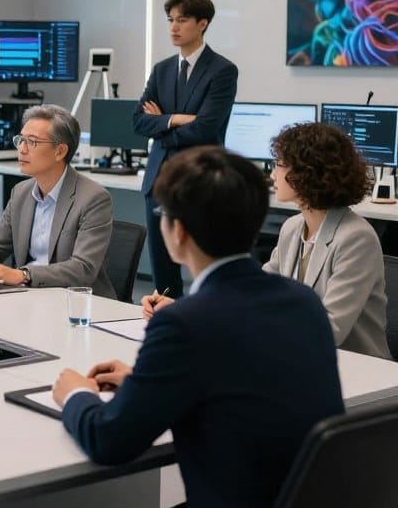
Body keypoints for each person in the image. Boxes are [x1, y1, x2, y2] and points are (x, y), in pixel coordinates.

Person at [54, 146, 343, 508]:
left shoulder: (183, 323)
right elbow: (241, 381)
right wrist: (145, 382)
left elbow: (109, 441)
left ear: (179, 232)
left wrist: (76, 394)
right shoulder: (303, 303)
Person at [146, 123, 389, 358]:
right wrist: (184, 309)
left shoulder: (356, 238)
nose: (272, 173)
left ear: (307, 173)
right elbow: (251, 292)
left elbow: (329, 330)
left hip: (355, 365)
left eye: (279, 165)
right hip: (298, 355)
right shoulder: (293, 228)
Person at [133, 0, 237, 297]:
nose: (174, 27)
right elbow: (138, 122)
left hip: (200, 180)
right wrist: (177, 119)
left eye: (182, 20)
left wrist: (161, 125)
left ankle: (205, 318)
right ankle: (167, 319)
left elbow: (205, 129)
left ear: (202, 23)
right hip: (158, 180)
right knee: (162, 271)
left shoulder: (222, 70)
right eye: (170, 20)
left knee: (204, 263)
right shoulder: (162, 69)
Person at [0, 104, 115, 295]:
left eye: (32, 142)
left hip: (75, 301)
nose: (21, 149)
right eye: (21, 140)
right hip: (29, 295)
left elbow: (83, 268)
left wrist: (23, 275)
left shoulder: (93, 198)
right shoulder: (21, 192)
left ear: (60, 151)